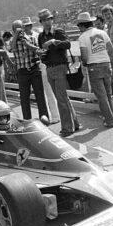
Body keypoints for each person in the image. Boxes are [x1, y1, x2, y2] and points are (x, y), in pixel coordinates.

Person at [37, 8, 79, 137]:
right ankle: (74, 123)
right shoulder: (41, 36)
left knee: (61, 99)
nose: (46, 22)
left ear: (51, 20)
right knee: (62, 98)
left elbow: (67, 44)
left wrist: (54, 42)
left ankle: (67, 128)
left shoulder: (58, 32)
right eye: (43, 20)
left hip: (60, 66)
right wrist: (40, 53)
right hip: (49, 67)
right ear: (41, 22)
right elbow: (42, 53)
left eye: (48, 19)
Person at [75, 12, 113, 128]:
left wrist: (84, 63)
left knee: (101, 97)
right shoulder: (102, 32)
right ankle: (110, 117)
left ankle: (109, 120)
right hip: (106, 64)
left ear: (82, 25)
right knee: (108, 94)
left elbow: (84, 56)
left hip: (93, 67)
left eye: (79, 26)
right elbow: (111, 50)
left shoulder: (82, 37)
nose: (79, 28)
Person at [8, 19, 48, 121]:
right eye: (16, 29)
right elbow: (11, 48)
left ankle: (44, 119)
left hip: (34, 70)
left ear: (24, 28)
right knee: (24, 98)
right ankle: (27, 121)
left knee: (40, 96)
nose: (19, 31)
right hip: (22, 72)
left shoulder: (31, 38)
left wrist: (27, 45)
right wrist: (16, 36)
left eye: (20, 29)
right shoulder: (12, 42)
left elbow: (39, 51)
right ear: (13, 30)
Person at [24, 16, 59, 124]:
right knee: (41, 94)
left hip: (42, 64)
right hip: (34, 67)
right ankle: (46, 116)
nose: (27, 27)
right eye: (25, 26)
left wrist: (32, 50)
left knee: (49, 91)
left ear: (31, 25)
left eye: (28, 25)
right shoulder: (23, 37)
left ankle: (56, 116)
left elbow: (41, 50)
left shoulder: (37, 35)